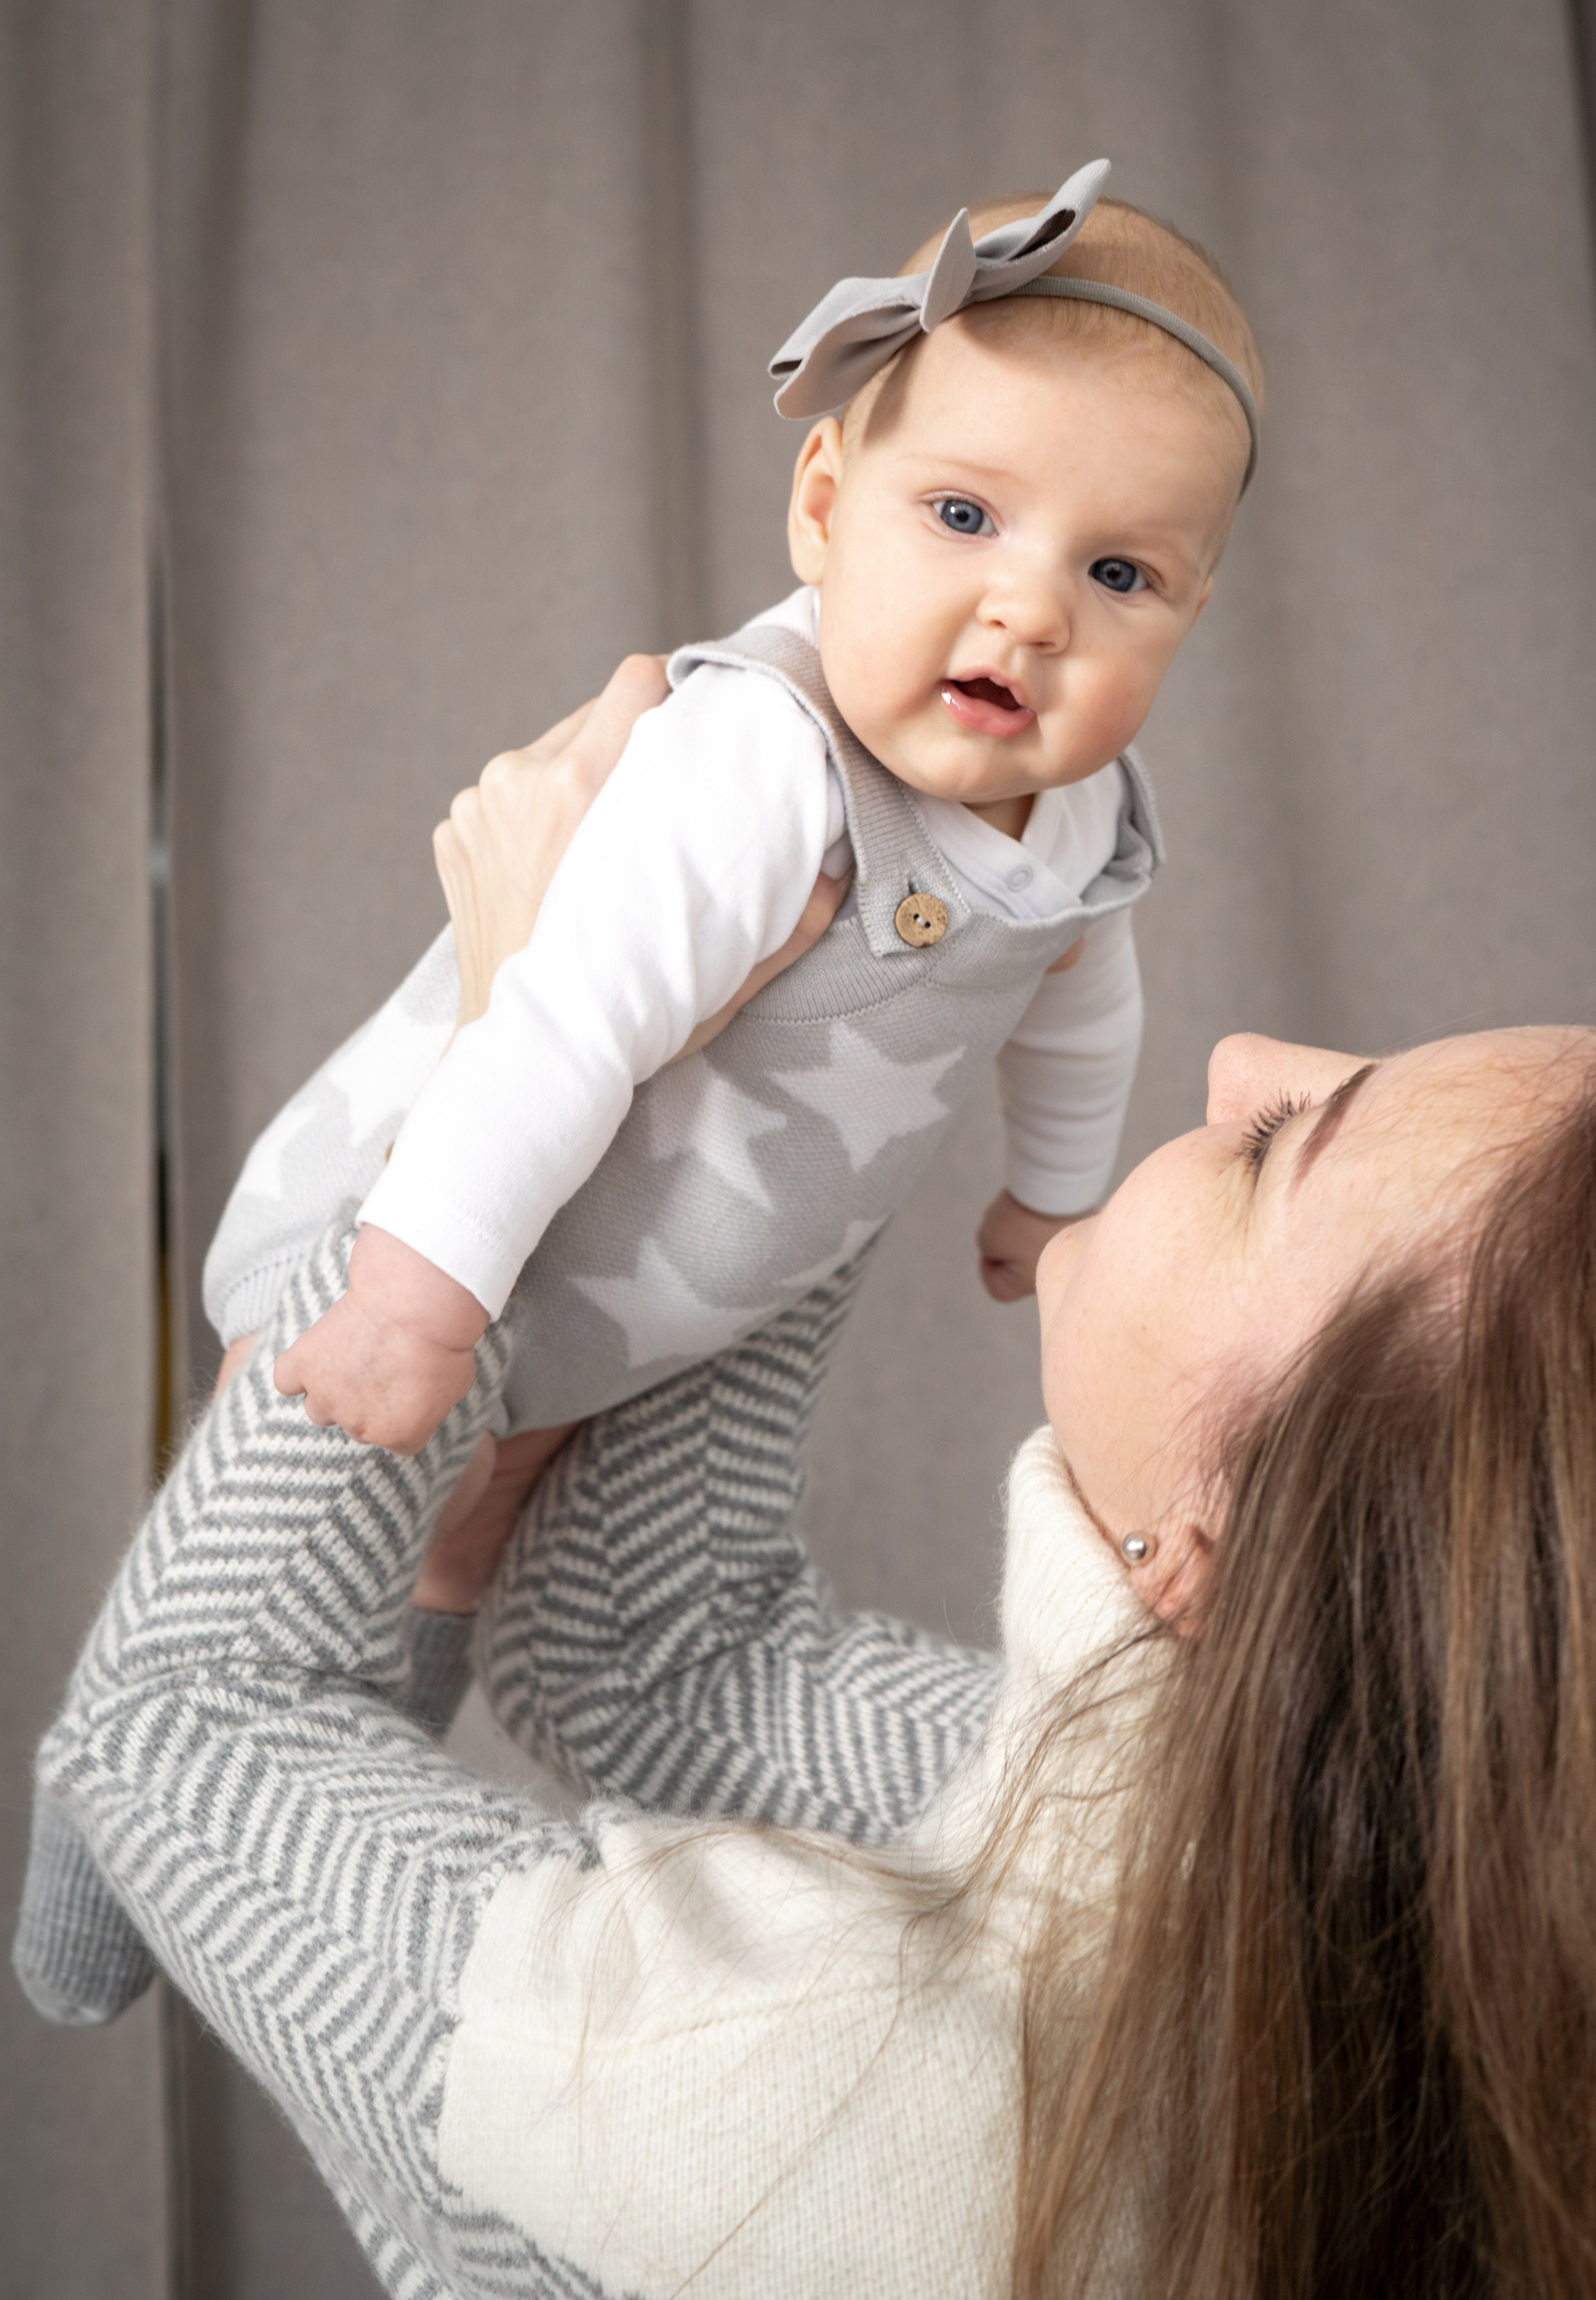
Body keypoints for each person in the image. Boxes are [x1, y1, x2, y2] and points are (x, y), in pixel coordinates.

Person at [24, 748, 1596, 2300]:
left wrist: (491, 1101)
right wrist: (813, 1056)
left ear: (1235, 1553)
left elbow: (171, 1725)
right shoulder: (1252, 1867)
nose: (1243, 1059)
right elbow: (650, 1662)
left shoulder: (782, 2115)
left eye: (1275, 1151)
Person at [220, 157, 1262, 1550]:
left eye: (1117, 574)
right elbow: (558, 1026)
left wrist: (1052, 1195)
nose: (1028, 613)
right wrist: (405, 1308)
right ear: (824, 509)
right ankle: (313, 1446)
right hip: (416, 1228)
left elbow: (1081, 1002)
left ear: (1189, 611)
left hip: (636, 1313)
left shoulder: (1082, 810)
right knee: (289, 1499)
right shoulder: (765, 758)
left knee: (474, 1539)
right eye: (962, 517)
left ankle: (462, 1560)